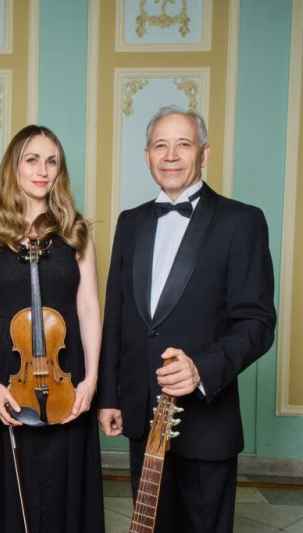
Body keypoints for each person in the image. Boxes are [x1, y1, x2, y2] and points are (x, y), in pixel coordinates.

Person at [98, 106, 276, 532]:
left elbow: (257, 323)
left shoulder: (242, 221)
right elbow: (116, 316)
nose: (171, 155)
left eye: (184, 144)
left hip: (207, 421)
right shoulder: (130, 222)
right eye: (161, 145)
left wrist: (201, 369)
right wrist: (110, 395)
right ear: (147, 157)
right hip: (142, 416)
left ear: (204, 153)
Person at [0, 124, 105, 532]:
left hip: (66, 368)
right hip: (5, 367)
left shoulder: (76, 230)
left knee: (64, 474)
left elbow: (88, 307)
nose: (42, 171)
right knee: (8, 481)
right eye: (32, 160)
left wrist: (92, 378)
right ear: (14, 166)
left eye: (51, 162)